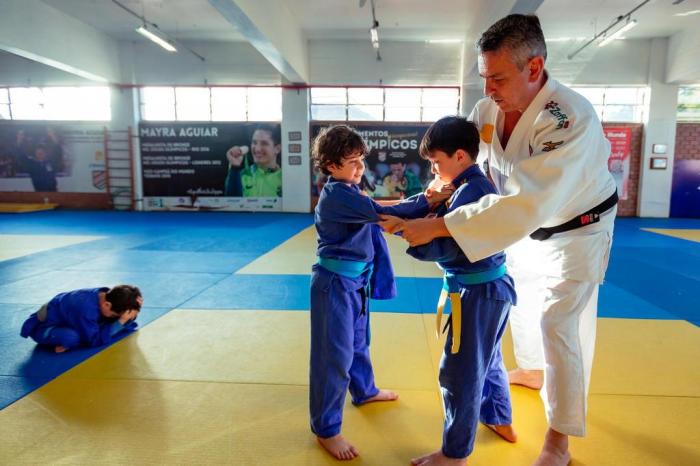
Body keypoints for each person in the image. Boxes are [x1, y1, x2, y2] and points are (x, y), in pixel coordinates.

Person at [381, 14, 617, 466]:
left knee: (559, 326)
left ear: (534, 67)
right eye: (484, 77)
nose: (488, 89)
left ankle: (559, 441)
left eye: (498, 78)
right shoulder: (489, 109)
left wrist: (444, 225)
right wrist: (432, 196)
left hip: (578, 227)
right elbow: (467, 165)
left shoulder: (569, 119)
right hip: (517, 224)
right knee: (521, 305)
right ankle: (529, 372)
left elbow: (532, 198)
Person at [381, 116, 517, 466]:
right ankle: (499, 418)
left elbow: (454, 247)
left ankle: (455, 454)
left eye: (437, 161)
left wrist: (408, 231)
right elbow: (433, 215)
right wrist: (407, 219)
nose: (434, 169)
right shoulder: (462, 186)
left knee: (460, 372)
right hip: (489, 289)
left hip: (479, 292)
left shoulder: (475, 192)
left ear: (460, 156)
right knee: (488, 360)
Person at [309, 124, 448, 461]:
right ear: (330, 165)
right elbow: (385, 213)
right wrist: (427, 200)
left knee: (358, 342)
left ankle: (364, 390)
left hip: (354, 284)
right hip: (335, 286)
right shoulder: (337, 195)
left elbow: (381, 214)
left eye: (361, 161)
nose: (360, 168)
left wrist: (422, 208)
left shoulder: (351, 191)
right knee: (334, 356)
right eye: (352, 162)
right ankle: (327, 429)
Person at [20, 285, 143, 353]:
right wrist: (120, 322)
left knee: (111, 325)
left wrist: (134, 308)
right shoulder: (86, 309)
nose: (114, 318)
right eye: (114, 315)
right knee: (72, 338)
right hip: (43, 328)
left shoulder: (106, 295)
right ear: (107, 305)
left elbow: (125, 319)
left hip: (70, 318)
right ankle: (53, 338)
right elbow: (94, 341)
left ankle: (82, 329)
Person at [224, 124, 282, 197]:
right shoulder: (242, 175)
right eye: (254, 142)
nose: (257, 149)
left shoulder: (285, 178)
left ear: (277, 149)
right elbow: (231, 203)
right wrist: (235, 166)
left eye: (264, 143)